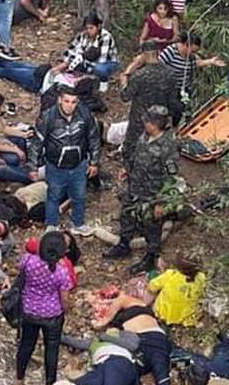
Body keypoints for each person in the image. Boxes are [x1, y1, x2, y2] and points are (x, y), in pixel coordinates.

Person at [104, 106, 179, 274]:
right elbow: (137, 156)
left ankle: (151, 257)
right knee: (127, 214)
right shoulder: (145, 137)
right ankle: (124, 244)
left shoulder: (167, 147)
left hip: (152, 195)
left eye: (148, 121)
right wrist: (127, 169)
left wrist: (161, 202)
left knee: (151, 225)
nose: (144, 124)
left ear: (155, 124)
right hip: (135, 187)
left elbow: (171, 178)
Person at [28, 86, 101, 236]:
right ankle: (51, 225)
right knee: (54, 195)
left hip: (79, 164)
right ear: (60, 100)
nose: (70, 105)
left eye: (74, 102)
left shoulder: (85, 114)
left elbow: (94, 138)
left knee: (79, 196)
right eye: (66, 101)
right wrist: (32, 166)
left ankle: (78, 223)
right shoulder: (48, 117)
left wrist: (94, 162)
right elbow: (37, 142)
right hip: (55, 165)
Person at [92, 292, 173, 385]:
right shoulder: (116, 323)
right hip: (137, 343)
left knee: (159, 364)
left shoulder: (135, 303)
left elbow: (120, 299)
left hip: (153, 335)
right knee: (129, 366)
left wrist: (104, 320)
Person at [15, 231, 75, 385]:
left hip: (29, 310)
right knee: (52, 348)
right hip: (52, 315)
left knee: (27, 344)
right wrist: (66, 311)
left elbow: (19, 269)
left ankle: (19, 378)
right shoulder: (62, 272)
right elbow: (65, 298)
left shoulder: (28, 261)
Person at [118, 41, 182, 166]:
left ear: (143, 55)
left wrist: (124, 81)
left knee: (131, 148)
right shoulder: (171, 74)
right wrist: (172, 119)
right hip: (160, 120)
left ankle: (131, 171)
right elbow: (173, 100)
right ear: (158, 53)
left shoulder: (139, 75)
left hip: (140, 120)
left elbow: (125, 96)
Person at [145, 256, 207, 330]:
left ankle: (162, 322)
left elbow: (152, 287)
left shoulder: (171, 275)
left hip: (167, 313)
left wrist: (160, 272)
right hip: (188, 316)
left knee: (154, 281)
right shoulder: (201, 278)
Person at [63, 13, 119, 81]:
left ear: (98, 26)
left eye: (91, 28)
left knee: (99, 69)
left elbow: (103, 59)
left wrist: (85, 61)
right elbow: (71, 49)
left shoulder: (105, 37)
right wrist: (67, 62)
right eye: (87, 28)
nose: (89, 30)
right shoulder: (83, 35)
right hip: (87, 61)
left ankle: (102, 81)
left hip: (107, 62)